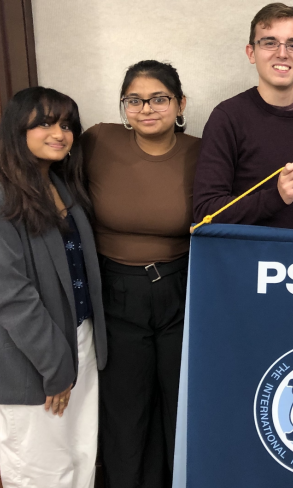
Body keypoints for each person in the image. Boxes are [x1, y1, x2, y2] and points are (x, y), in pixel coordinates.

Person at [0, 86, 106, 488]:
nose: (59, 133)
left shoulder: (64, 187)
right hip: (34, 359)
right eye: (45, 123)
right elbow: (11, 297)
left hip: (79, 343)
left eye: (66, 125)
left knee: (80, 462)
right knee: (40, 474)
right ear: (18, 128)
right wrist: (56, 367)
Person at [82, 60, 201, 488]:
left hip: (182, 290)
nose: (146, 108)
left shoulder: (201, 152)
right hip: (116, 293)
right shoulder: (97, 140)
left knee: (180, 408)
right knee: (125, 413)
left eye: (159, 98)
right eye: (134, 100)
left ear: (180, 103)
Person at [192, 2, 293, 232]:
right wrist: (276, 197)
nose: (282, 53)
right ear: (251, 52)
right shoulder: (227, 117)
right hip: (250, 261)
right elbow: (206, 210)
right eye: (270, 43)